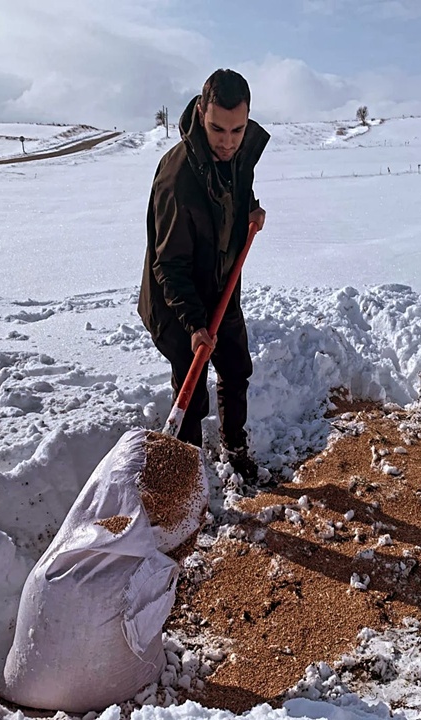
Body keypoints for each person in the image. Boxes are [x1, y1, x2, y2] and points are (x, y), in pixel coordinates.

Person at [138, 69, 269, 481]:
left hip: (222, 286)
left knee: (235, 368)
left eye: (237, 129)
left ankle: (235, 447)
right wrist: (194, 324)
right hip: (177, 301)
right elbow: (168, 265)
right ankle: (187, 476)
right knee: (190, 394)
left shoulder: (241, 149)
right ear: (200, 111)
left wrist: (250, 208)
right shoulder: (177, 179)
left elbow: (235, 185)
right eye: (217, 129)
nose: (228, 141)